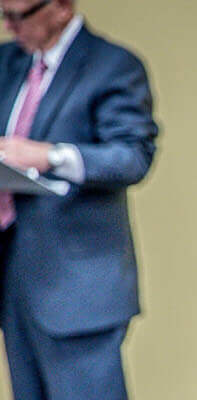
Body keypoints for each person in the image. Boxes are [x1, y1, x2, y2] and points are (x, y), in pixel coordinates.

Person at [0, 0, 159, 398]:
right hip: (14, 276)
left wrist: (49, 155)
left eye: (20, 16)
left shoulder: (112, 66)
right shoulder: (9, 64)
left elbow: (133, 156)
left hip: (77, 286)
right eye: (4, 15)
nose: (10, 27)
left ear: (61, 7)